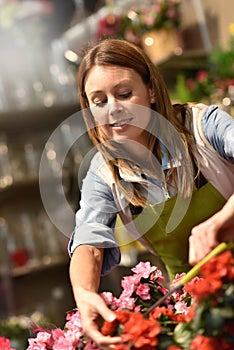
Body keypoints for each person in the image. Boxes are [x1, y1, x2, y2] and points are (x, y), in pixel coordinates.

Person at [68, 38, 234, 347]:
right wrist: (84, 293)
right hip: (199, 310)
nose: (114, 110)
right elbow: (88, 240)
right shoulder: (104, 174)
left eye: (125, 94)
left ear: (152, 91)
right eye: (100, 101)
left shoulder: (203, 126)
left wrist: (220, 220)